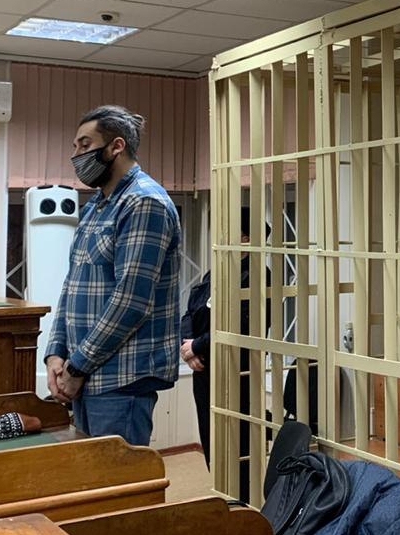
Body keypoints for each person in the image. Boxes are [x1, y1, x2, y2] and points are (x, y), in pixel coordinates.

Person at [44, 104, 182, 447]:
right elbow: (72, 285)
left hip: (121, 379)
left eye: (85, 145)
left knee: (116, 478)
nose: (76, 155)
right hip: (85, 376)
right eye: (75, 146)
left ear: (116, 146)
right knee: (88, 477)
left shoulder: (144, 202)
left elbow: (130, 301)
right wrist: (56, 354)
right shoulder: (96, 205)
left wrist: (76, 367)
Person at [180, 207, 270, 502]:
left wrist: (197, 346)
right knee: (211, 434)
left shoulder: (259, 276)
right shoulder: (216, 272)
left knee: (237, 440)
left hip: (237, 370)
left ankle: (242, 502)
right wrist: (188, 346)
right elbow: (189, 310)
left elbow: (242, 326)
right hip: (204, 369)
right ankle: (222, 493)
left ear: (246, 239)